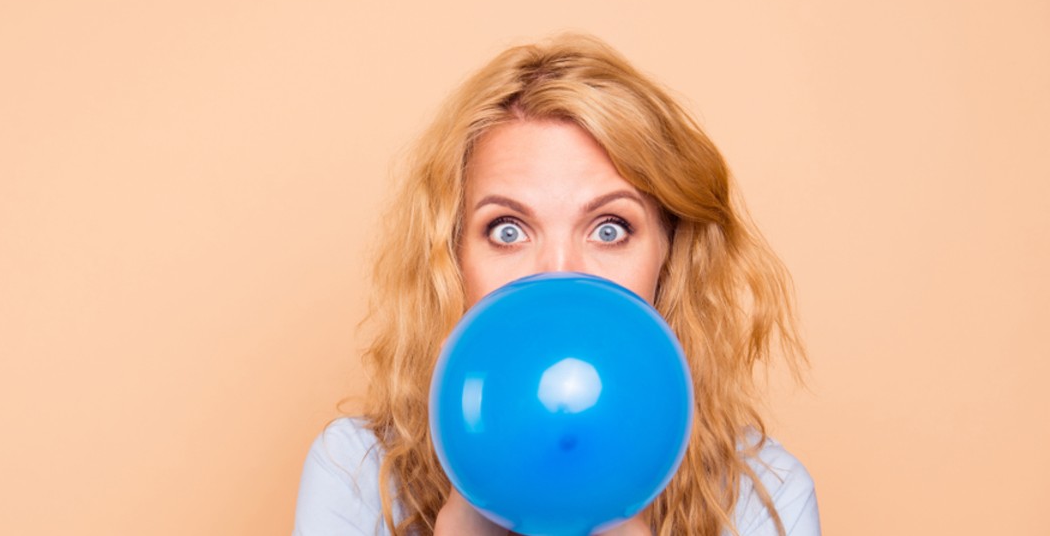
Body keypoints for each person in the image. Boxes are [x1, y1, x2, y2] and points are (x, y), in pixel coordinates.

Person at [293, 34, 820, 535]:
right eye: (507, 229)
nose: (559, 273)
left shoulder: (763, 500)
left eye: (610, 229)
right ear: (453, 259)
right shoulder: (358, 477)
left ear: (670, 255)